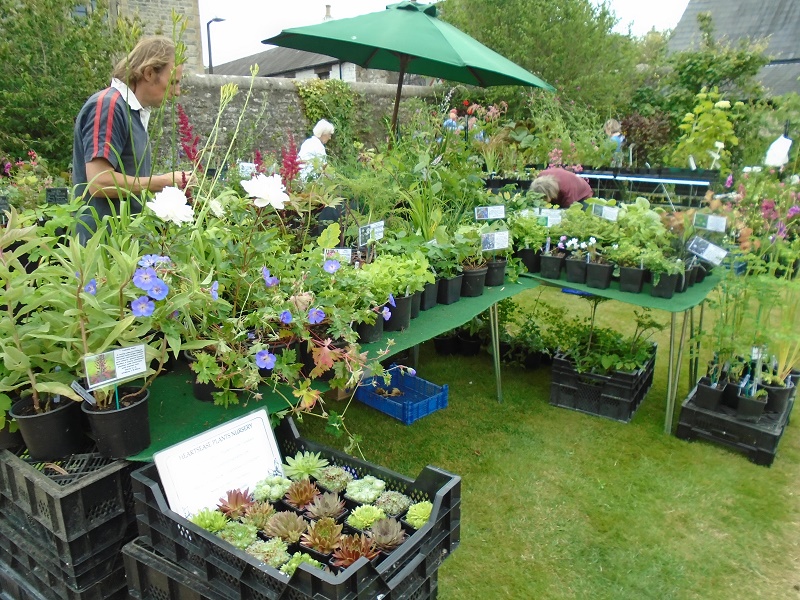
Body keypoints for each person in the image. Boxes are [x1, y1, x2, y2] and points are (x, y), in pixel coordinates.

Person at [73, 36, 190, 241]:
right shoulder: (108, 106)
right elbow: (98, 181)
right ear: (149, 73)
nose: (177, 92)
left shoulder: (132, 112)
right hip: (101, 245)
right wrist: (161, 182)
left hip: (123, 243)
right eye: (173, 82)